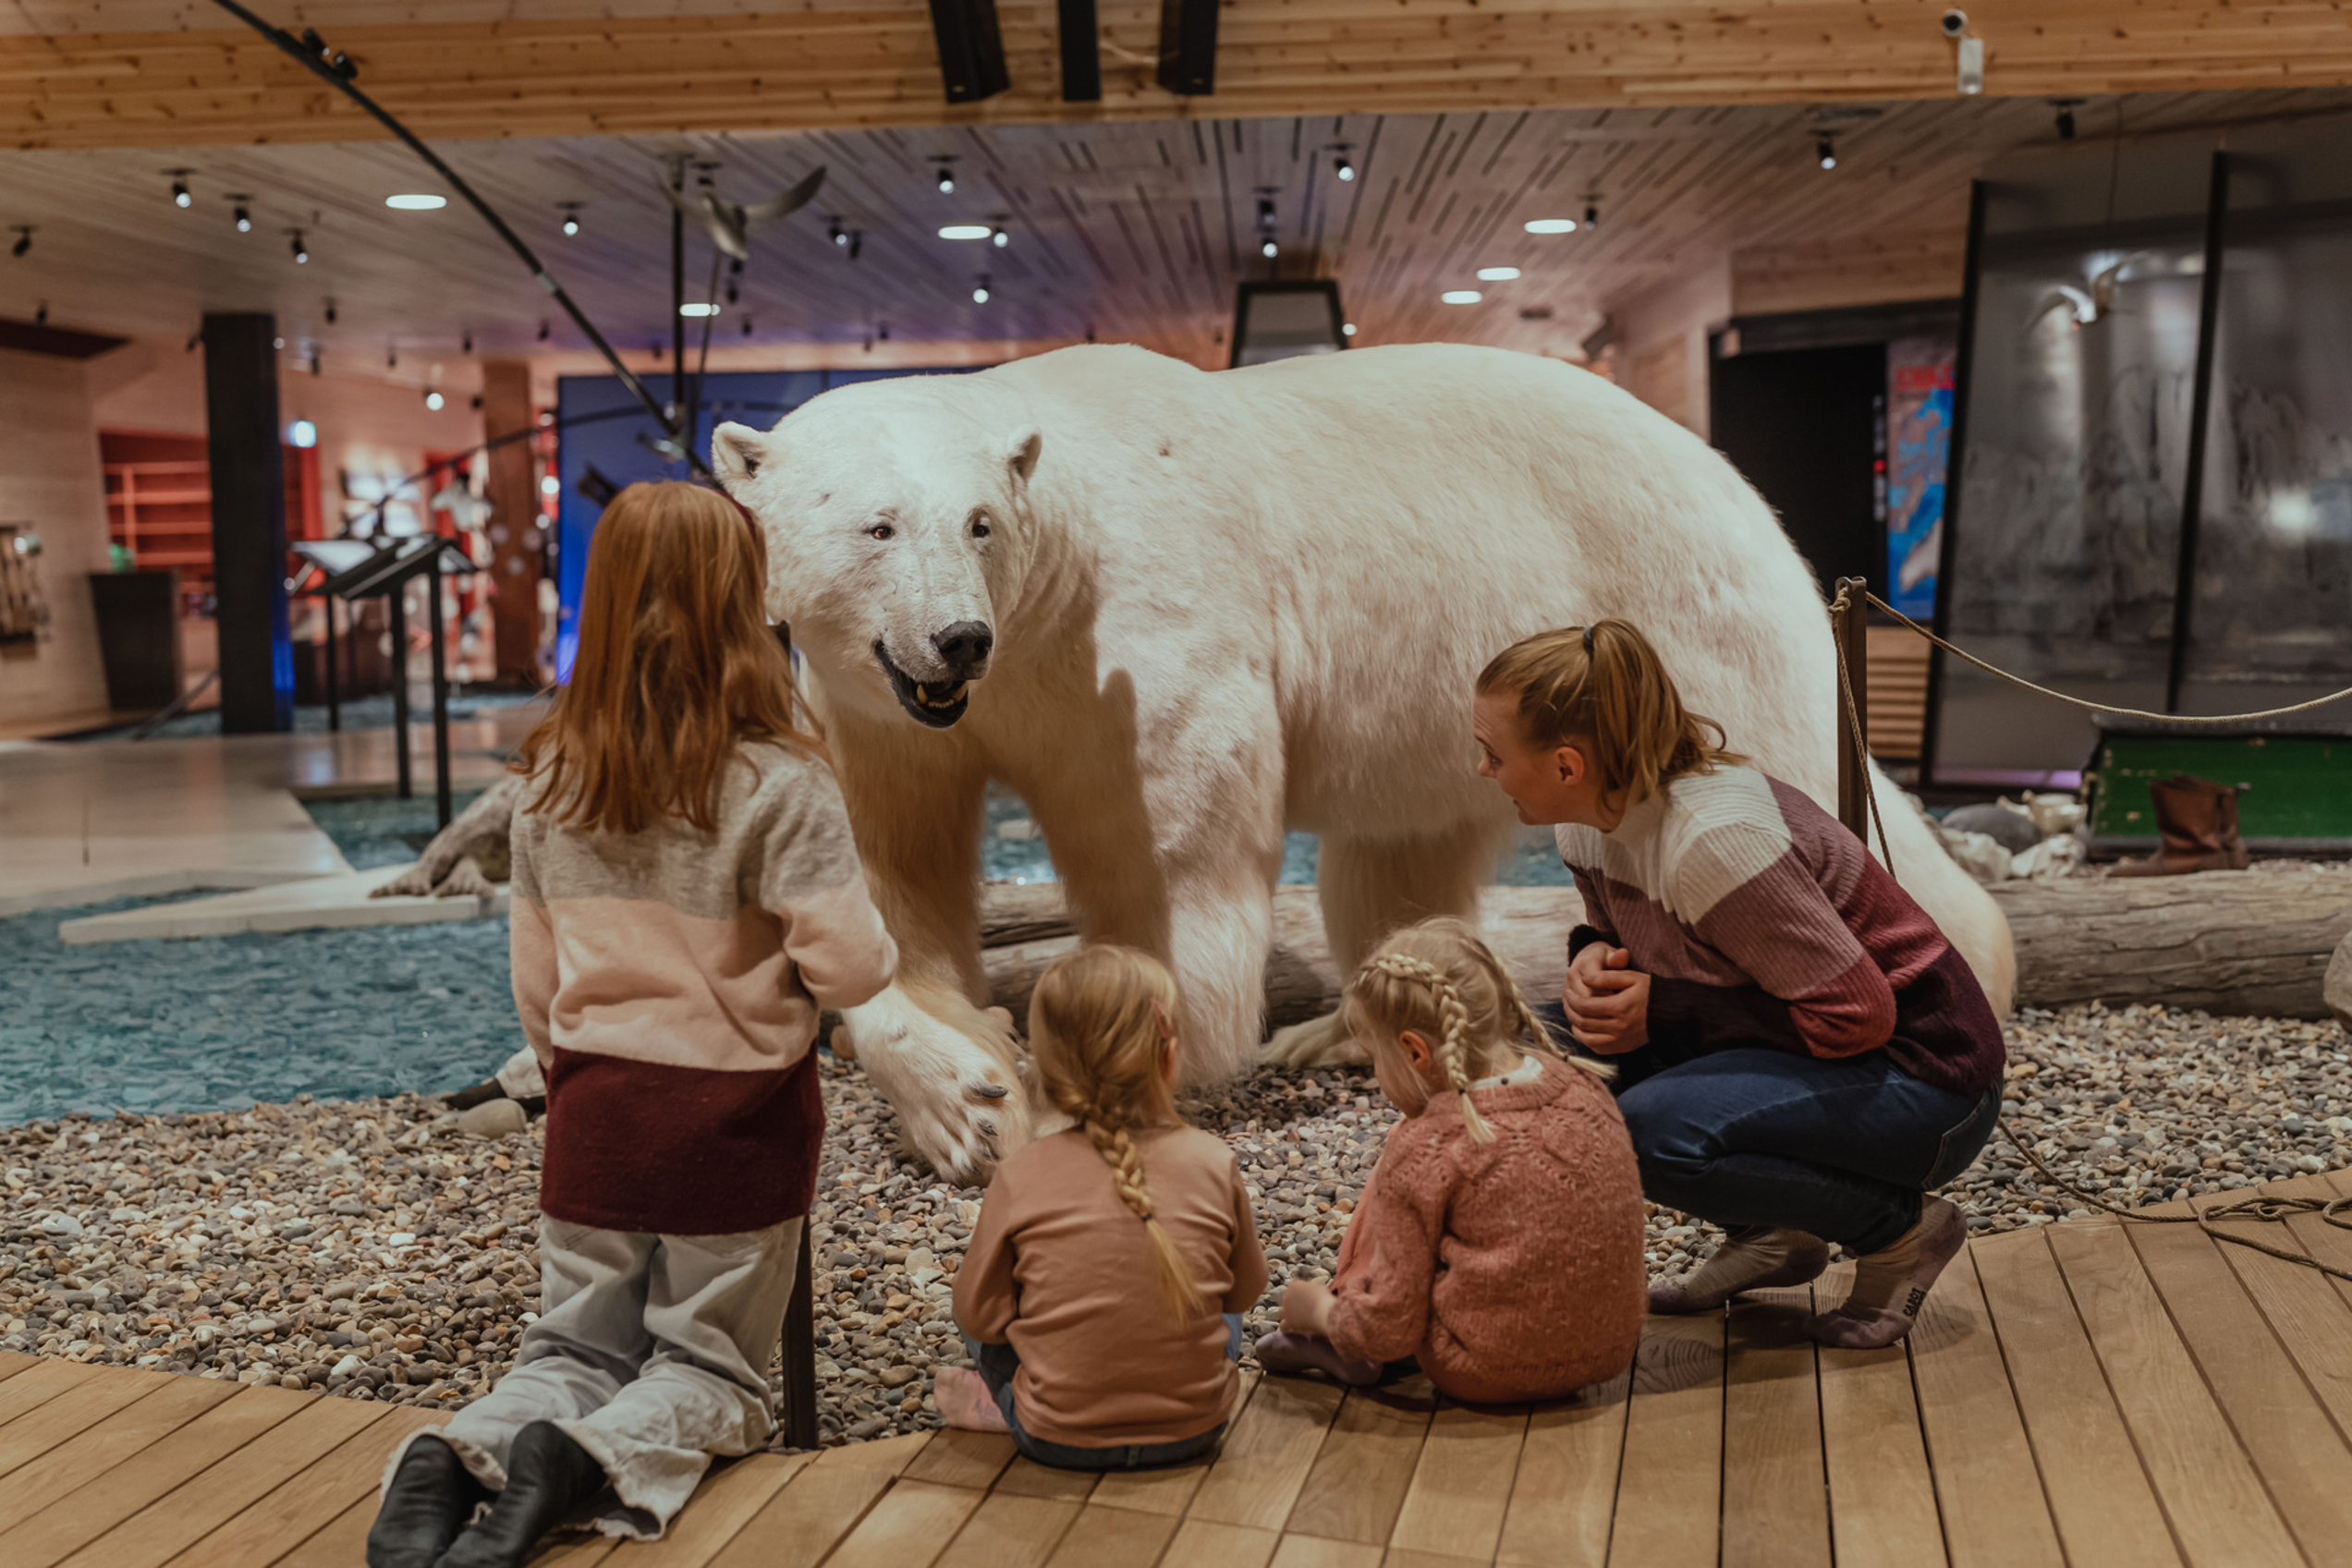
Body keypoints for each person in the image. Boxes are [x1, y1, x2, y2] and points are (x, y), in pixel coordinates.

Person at [367, 481, 897, 1568]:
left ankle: (460, 1449)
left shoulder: (552, 775)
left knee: (569, 1343)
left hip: (597, 1109)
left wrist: (573, 1071)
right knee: (709, 1371)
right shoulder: (781, 781)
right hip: (733, 1125)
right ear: (739, 600)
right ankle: (585, 1460)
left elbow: (537, 981)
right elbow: (849, 966)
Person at [1473, 620, 2005, 1349]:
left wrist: (1660, 1010)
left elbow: (1856, 1016)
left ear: (1568, 765)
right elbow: (1625, 936)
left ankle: (1901, 1232)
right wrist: (1593, 959)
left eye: (1491, 754)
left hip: (1926, 1082)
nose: (1482, 770)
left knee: (1648, 1132)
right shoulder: (1587, 823)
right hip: (1814, 1049)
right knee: (1516, 1052)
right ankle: (1771, 1232)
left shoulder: (1713, 840)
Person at [1256, 918, 1646, 1403]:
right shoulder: (1585, 1088)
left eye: (1374, 1055)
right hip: (1607, 1357)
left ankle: (1342, 1311)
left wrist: (1314, 1309)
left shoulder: (1428, 1146)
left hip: (1480, 1370)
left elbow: (1390, 1330)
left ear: (1415, 1051)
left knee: (1407, 1135)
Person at [937, 944, 1269, 1470]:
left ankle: (1002, 1402)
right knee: (1220, 1307)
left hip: (1056, 1438)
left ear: (1045, 1062)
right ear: (1168, 1053)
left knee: (977, 1322)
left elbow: (980, 1316)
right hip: (1196, 1428)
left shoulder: (1021, 1174)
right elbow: (1245, 1290)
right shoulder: (1213, 1160)